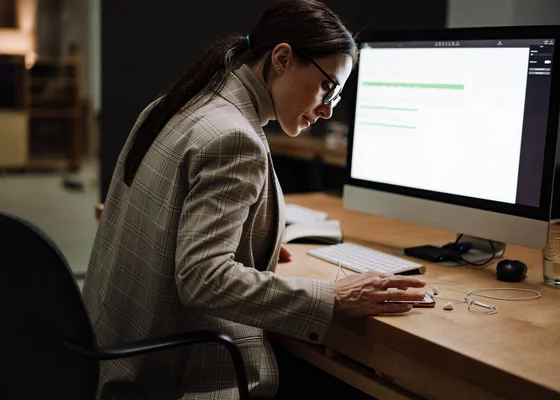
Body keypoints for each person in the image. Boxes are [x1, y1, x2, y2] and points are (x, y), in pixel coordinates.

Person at [82, 0, 426, 398]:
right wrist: (334, 296)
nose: (329, 110)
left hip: (110, 358)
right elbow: (202, 280)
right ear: (282, 58)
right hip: (170, 377)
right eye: (328, 87)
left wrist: (251, 240)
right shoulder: (235, 138)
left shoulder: (175, 103)